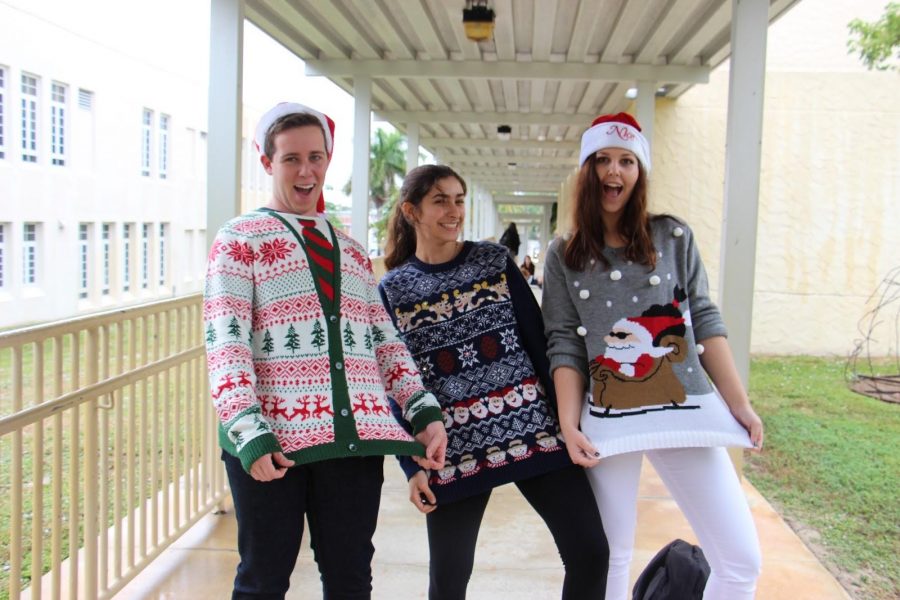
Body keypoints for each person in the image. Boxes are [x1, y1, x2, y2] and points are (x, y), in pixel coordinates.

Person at [204, 102, 447, 600]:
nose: (306, 170)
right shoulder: (239, 241)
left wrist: (423, 410)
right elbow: (225, 343)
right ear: (267, 161)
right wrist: (248, 430)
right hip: (272, 444)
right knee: (263, 580)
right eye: (291, 158)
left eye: (316, 156)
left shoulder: (353, 252)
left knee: (351, 578)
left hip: (352, 445)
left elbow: (383, 340)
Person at [541, 113, 764, 600]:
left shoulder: (674, 236)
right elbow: (564, 342)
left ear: (639, 171)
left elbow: (703, 319)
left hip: (683, 406)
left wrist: (739, 405)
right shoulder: (564, 253)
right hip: (608, 418)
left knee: (741, 560)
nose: (613, 173)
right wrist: (568, 421)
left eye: (625, 161)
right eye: (602, 160)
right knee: (612, 557)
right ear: (586, 170)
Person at [378, 164, 609, 600]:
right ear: (411, 211)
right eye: (440, 200)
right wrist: (411, 466)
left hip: (535, 432)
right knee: (447, 583)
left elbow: (538, 343)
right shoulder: (393, 289)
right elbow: (394, 385)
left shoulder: (494, 262)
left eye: (459, 199)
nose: (454, 210)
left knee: (591, 553)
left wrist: (569, 423)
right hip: (453, 451)